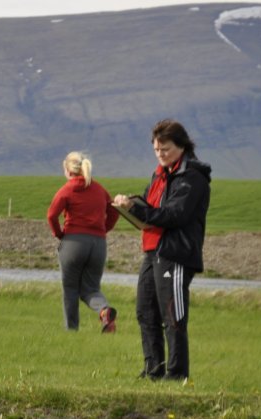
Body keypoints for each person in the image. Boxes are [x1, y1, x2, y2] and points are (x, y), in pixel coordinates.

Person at [113, 119, 211, 382]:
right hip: (152, 250)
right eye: (157, 150)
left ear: (181, 146)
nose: (160, 154)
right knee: (145, 311)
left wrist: (138, 209)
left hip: (176, 253)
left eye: (165, 149)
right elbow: (150, 204)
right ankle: (153, 369)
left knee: (173, 314)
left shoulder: (192, 178)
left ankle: (177, 374)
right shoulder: (159, 174)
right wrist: (130, 203)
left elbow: (174, 215)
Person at [46, 151, 120, 332]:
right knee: (91, 288)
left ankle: (71, 331)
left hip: (73, 243)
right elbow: (114, 211)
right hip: (98, 245)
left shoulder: (67, 189)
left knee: (70, 289)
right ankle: (104, 311)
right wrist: (103, 229)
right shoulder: (99, 189)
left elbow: (51, 215)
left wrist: (59, 234)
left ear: (67, 170)